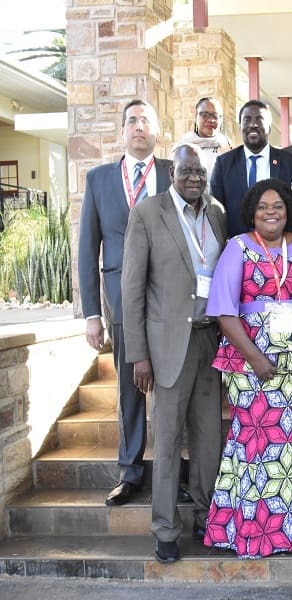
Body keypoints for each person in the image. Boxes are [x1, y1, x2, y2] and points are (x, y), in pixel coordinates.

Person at [203, 178, 292, 557]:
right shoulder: (237, 248)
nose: (271, 212)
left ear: (288, 208)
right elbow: (224, 312)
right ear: (251, 213)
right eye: (262, 207)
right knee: (256, 443)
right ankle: (256, 530)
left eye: (277, 205)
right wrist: (255, 358)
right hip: (248, 360)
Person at [121, 143, 226, 564]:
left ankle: (206, 516)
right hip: (166, 347)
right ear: (171, 173)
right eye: (186, 171)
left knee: (209, 440)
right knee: (166, 443)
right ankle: (165, 528)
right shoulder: (148, 213)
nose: (194, 178)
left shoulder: (216, 213)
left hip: (209, 341)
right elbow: (132, 290)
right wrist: (138, 355)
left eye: (200, 172)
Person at [77, 99, 173, 507]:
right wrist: (92, 313)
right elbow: (87, 249)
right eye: (132, 121)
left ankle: (174, 467)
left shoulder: (174, 172)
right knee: (129, 386)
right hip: (120, 300)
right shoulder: (99, 179)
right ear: (122, 131)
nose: (139, 127)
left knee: (171, 387)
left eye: (145, 121)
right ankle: (130, 470)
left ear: (156, 130)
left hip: (168, 299)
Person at [211, 100, 292, 236]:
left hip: (279, 246)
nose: (253, 125)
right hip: (238, 245)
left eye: (259, 119)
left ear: (269, 127)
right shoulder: (223, 164)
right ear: (240, 126)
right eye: (247, 120)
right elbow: (216, 211)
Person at [178, 96, 233, 184]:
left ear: (221, 120)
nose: (211, 120)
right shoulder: (182, 148)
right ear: (195, 118)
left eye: (215, 116)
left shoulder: (228, 148)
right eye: (204, 115)